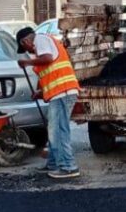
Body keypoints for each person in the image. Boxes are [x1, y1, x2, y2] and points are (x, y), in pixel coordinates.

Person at [16, 26, 81, 179]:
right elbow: (51, 72)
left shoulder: (41, 39)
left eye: (24, 47)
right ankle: (53, 164)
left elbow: (48, 59)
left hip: (63, 93)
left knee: (58, 130)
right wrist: (40, 92)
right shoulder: (43, 44)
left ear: (26, 41)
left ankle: (68, 167)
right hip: (60, 93)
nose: (28, 51)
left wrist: (27, 62)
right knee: (55, 130)